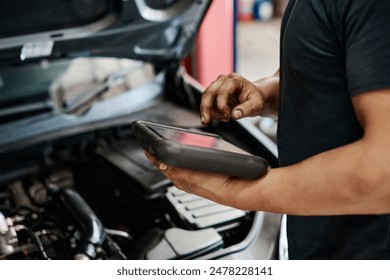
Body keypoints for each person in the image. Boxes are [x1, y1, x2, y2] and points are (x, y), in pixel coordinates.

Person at [145, 0, 390, 259]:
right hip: (312, 240)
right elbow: (324, 75)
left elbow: (382, 172)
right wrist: (264, 93)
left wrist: (229, 191)